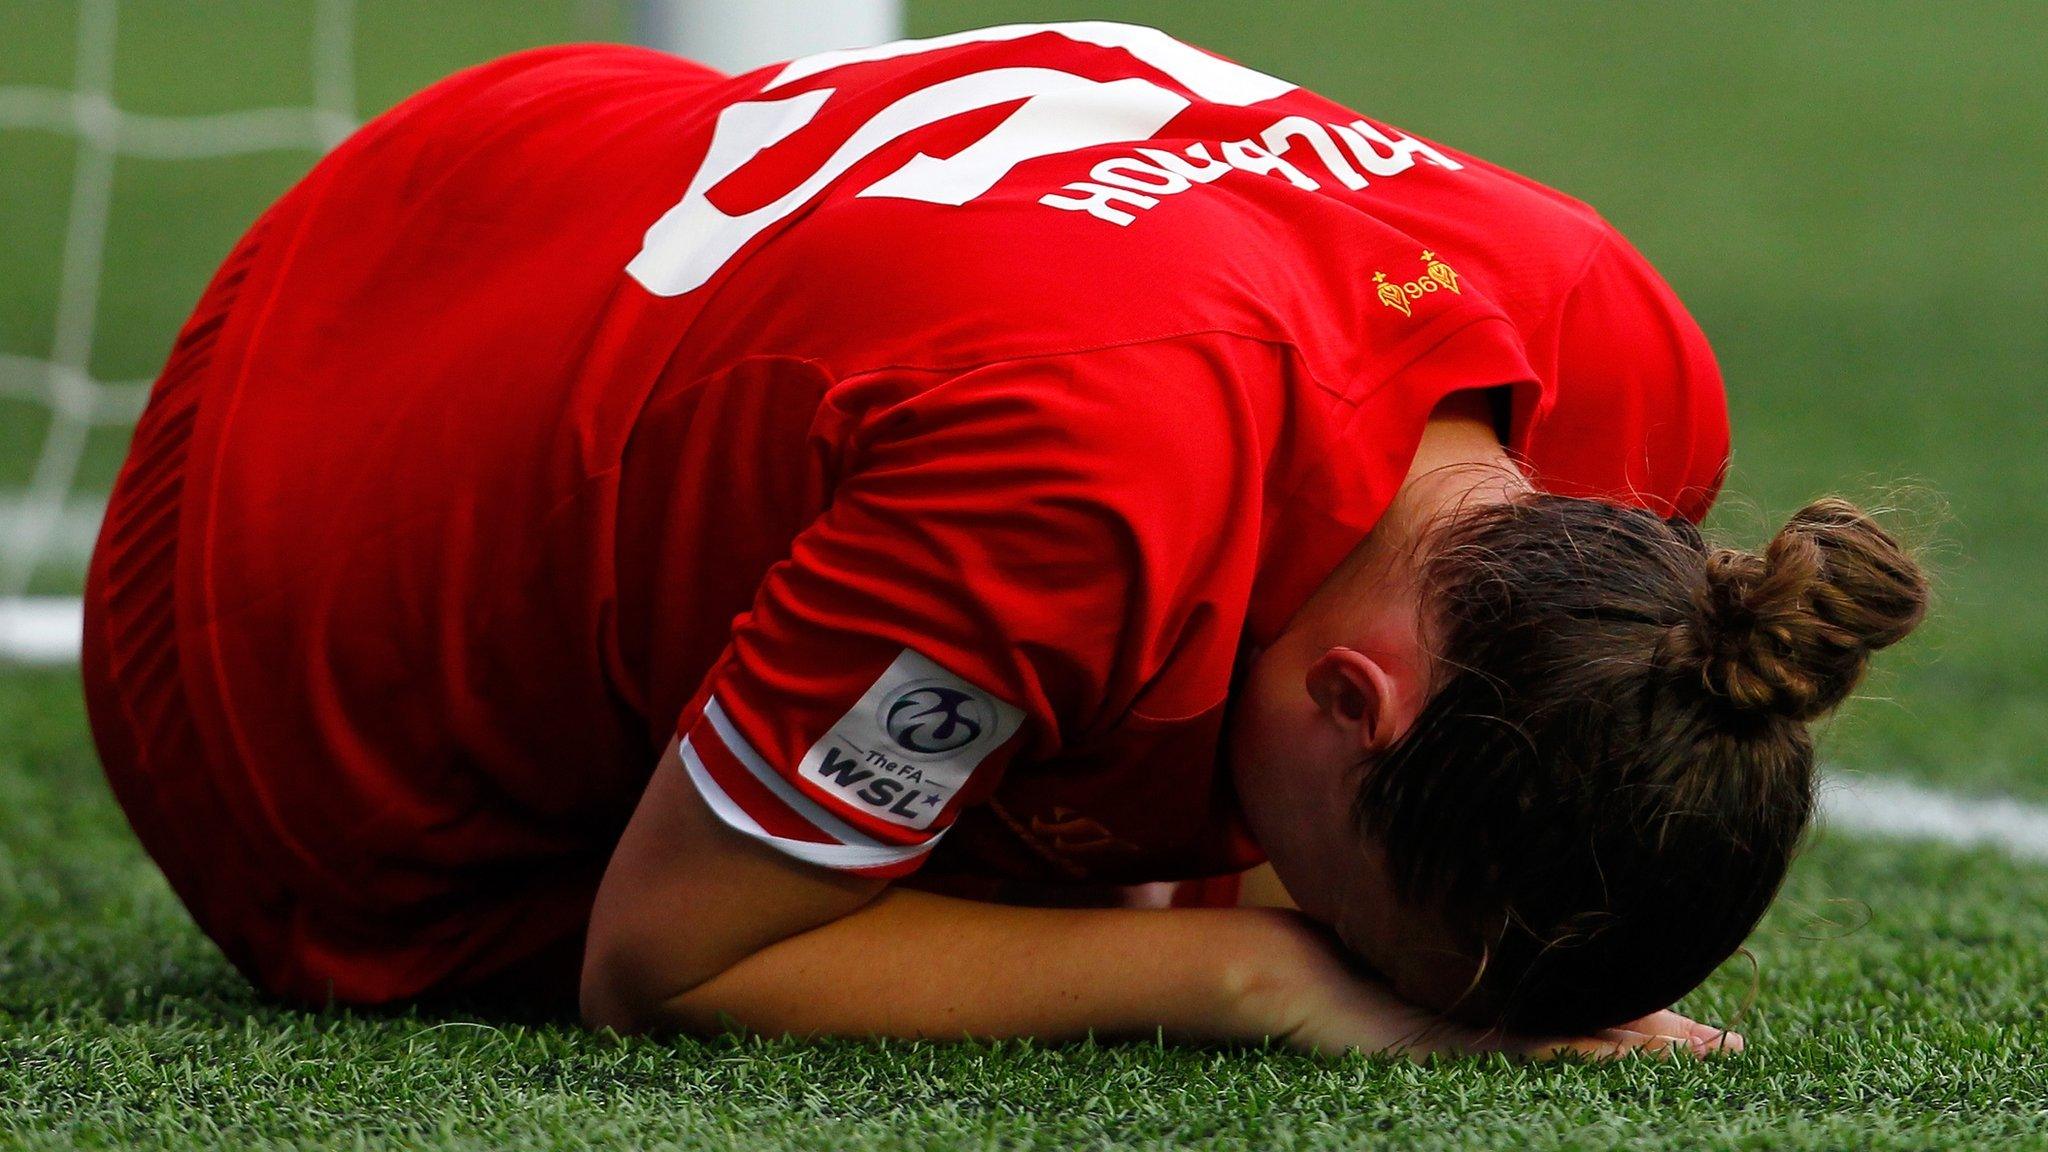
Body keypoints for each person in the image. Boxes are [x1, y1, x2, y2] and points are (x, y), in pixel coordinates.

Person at [83, 23, 1927, 1058]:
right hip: (296, 553)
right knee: (1051, 883)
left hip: (571, 169)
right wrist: (1265, 975)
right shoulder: (1075, 501)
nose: (1354, 965)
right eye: (1374, 939)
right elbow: (671, 963)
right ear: (1356, 704)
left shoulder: (1623, 368)